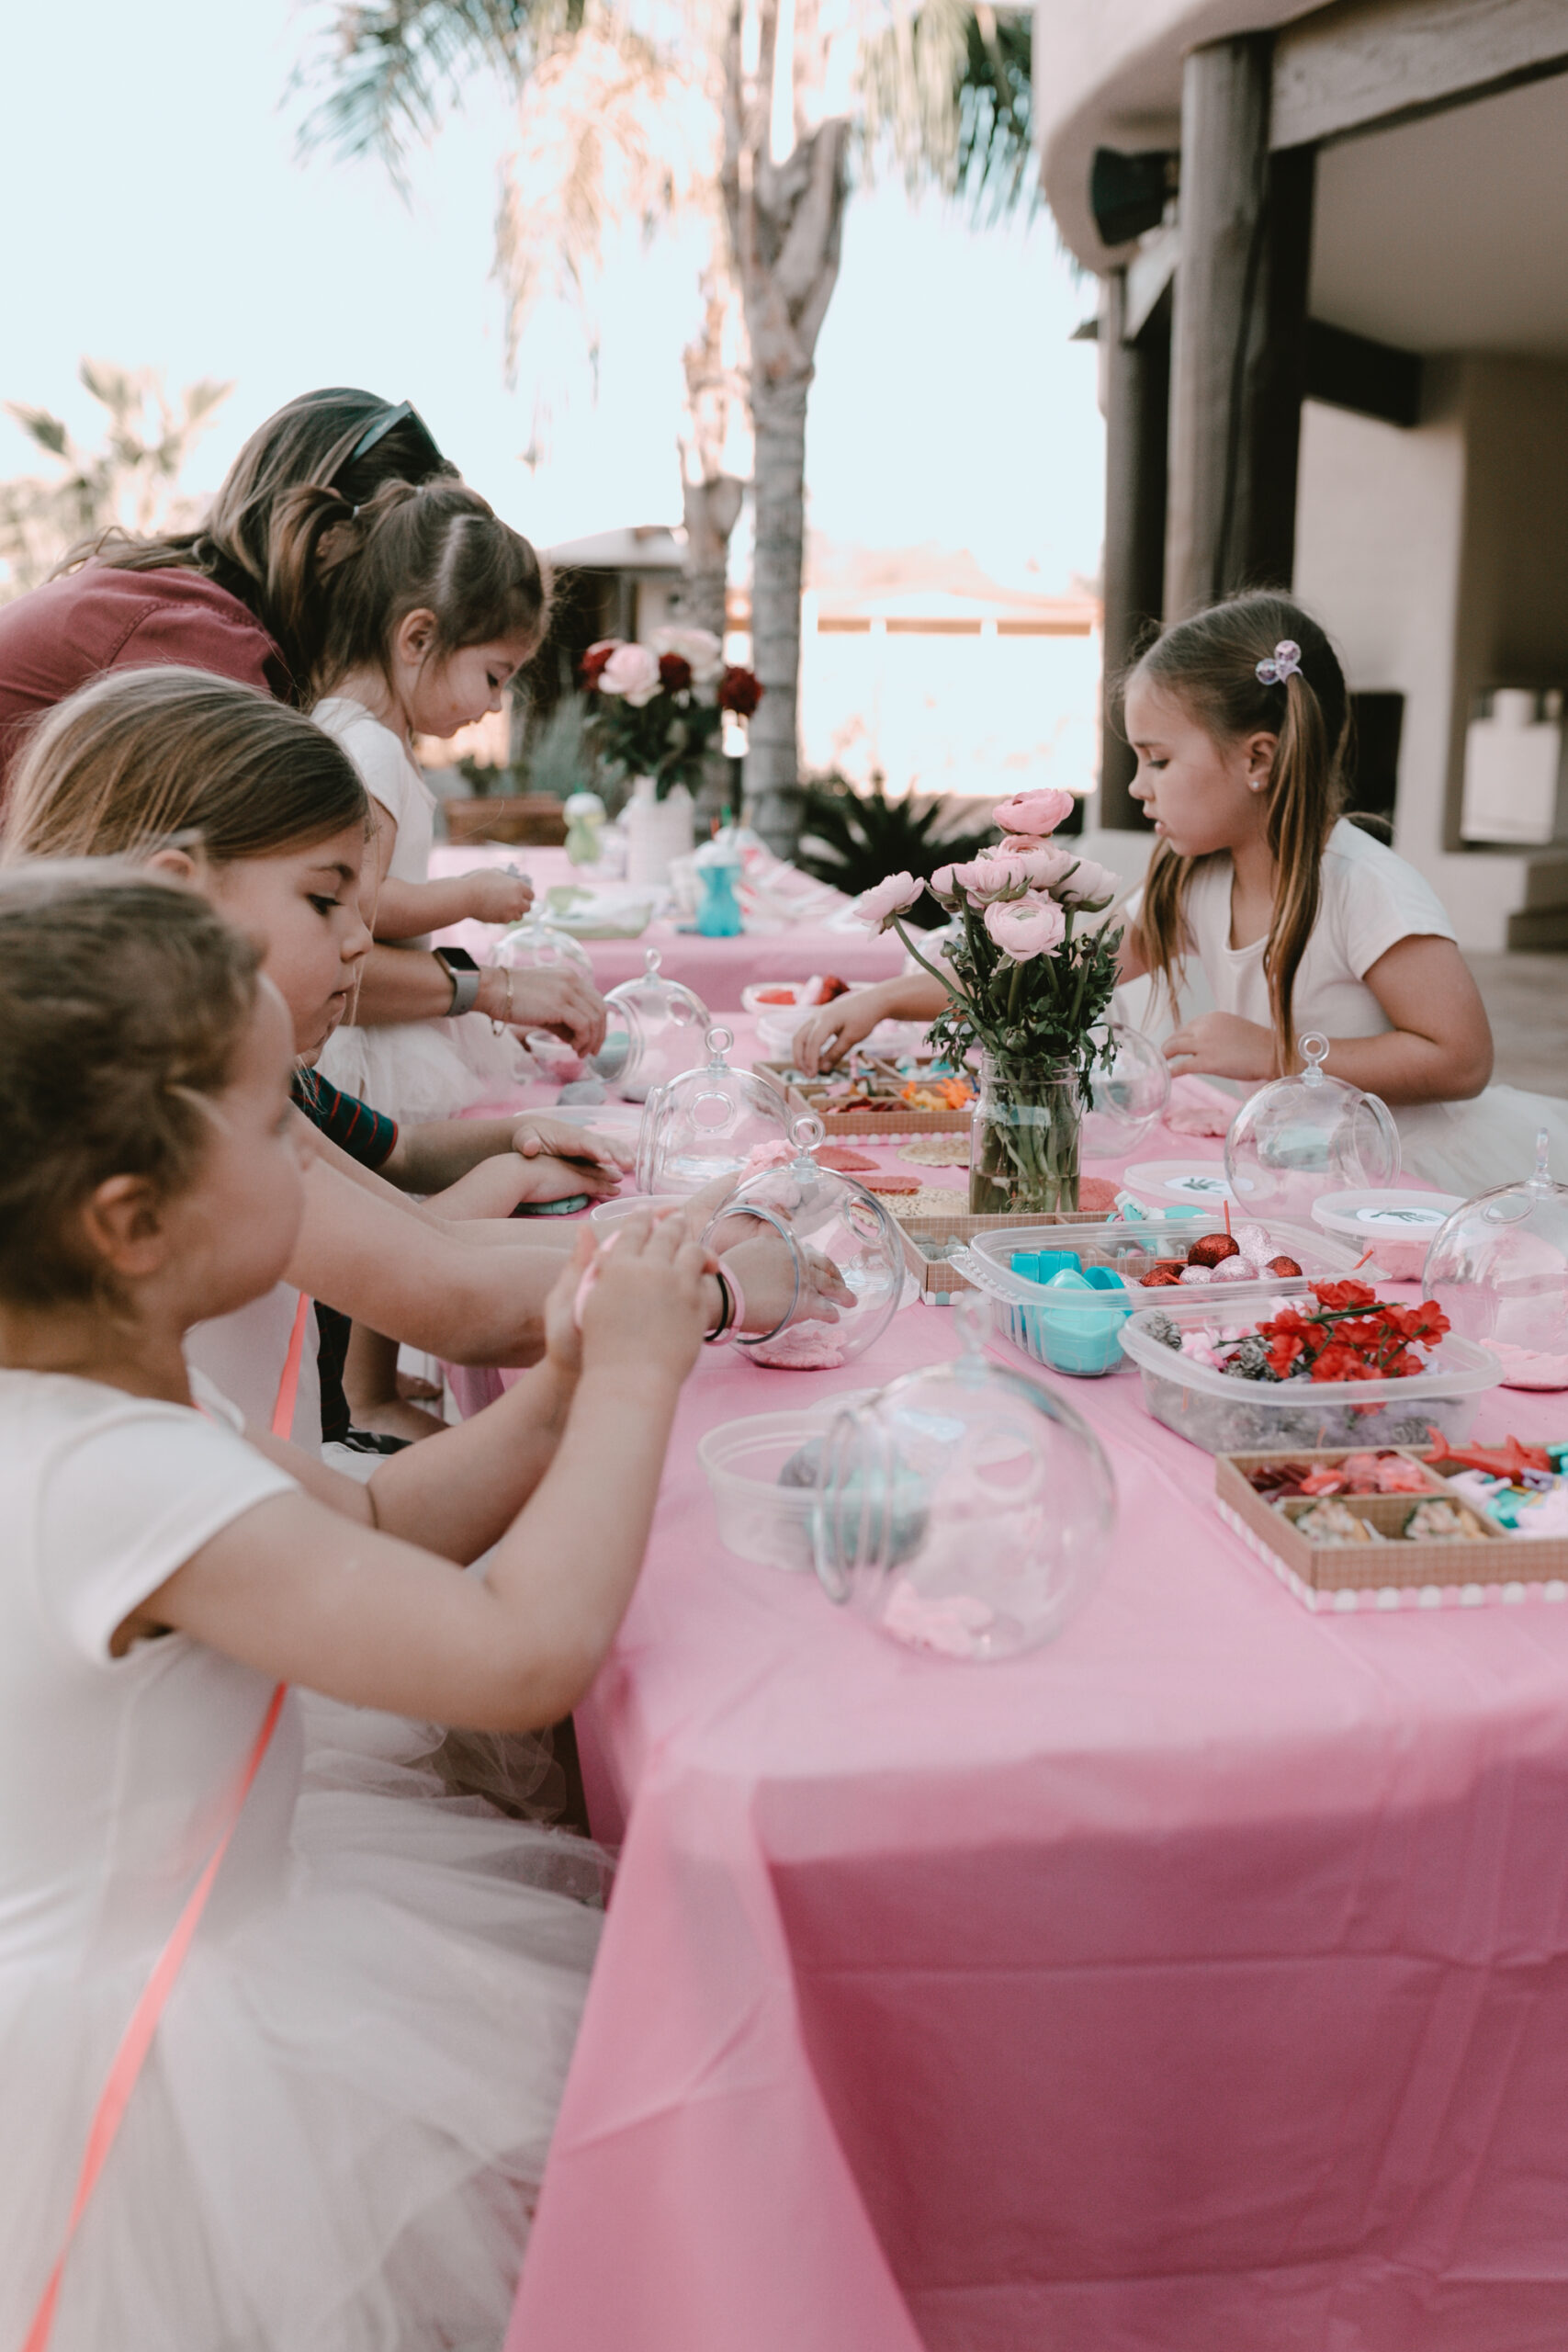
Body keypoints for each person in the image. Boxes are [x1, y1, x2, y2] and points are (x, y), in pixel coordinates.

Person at [0, 863, 709, 2347]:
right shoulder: (114, 1479)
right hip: (157, 2061)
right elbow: (520, 1654)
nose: (307, 1164)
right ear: (132, 1224)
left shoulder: (93, 1406)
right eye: (274, 1129)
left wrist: (564, 1387)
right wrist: (641, 1379)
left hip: (227, 1928)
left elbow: (382, 1515)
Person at [4, 668, 808, 1442]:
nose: (361, 941)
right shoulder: (180, 1131)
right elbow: (453, 1294)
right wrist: (713, 1288)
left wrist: (686, 1232)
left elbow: (433, 1240)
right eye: (323, 899)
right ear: (178, 895)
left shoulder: (234, 1089)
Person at [0, 384, 603, 1055]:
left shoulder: (180, 604)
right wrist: (489, 988)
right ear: (328, 543)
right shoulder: (204, 654)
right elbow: (263, 954)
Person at [1119, 590, 1568, 1195]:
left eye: (1157, 760)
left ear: (1258, 757)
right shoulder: (1194, 876)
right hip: (1304, 1170)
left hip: (1406, 1177)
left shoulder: (1364, 885)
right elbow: (1073, 969)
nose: (1135, 786)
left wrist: (1276, 1053)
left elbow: (1460, 1059)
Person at [282, 477, 565, 1123]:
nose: (496, 703)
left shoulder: (349, 728)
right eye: (494, 676)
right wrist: (470, 894)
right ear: (416, 639)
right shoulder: (370, 750)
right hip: (371, 1043)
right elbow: (365, 900)